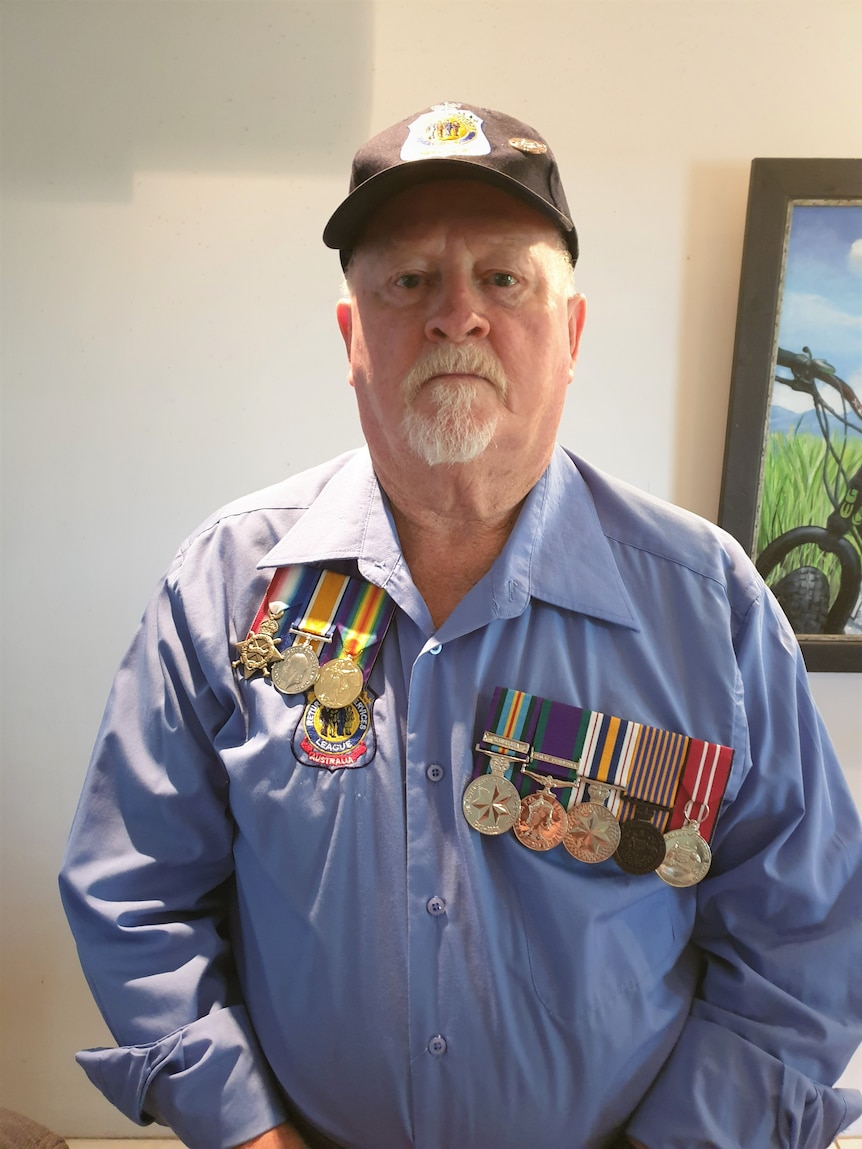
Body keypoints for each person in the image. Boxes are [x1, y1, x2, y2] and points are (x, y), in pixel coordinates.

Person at [60, 102, 862, 1149]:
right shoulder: (223, 586)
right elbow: (137, 896)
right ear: (353, 337)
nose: (456, 317)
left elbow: (804, 940)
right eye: (408, 282)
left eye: (503, 279)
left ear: (569, 335)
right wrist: (245, 1130)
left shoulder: (708, 606)